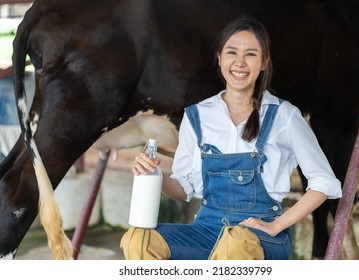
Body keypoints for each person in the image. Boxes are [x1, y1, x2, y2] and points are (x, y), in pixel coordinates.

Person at [120, 16, 342, 260]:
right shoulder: (198, 115)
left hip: (261, 235)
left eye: (250, 54)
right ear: (219, 58)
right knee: (139, 240)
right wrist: (154, 175)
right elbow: (183, 188)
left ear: (264, 62)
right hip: (207, 230)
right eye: (232, 52)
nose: (240, 62)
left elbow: (324, 182)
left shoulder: (284, 116)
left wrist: (276, 226)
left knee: (235, 244)